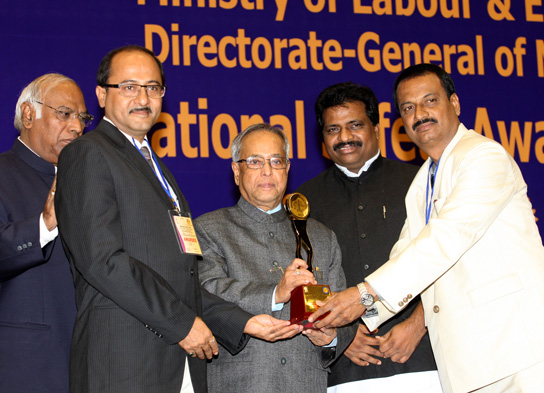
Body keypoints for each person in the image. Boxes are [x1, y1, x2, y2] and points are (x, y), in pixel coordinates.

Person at [55, 45, 300, 393]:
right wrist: (183, 323)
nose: (143, 97)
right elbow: (102, 261)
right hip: (124, 362)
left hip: (174, 364)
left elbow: (182, 278)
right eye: (129, 86)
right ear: (101, 94)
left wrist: (243, 322)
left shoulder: (155, 166)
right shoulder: (88, 153)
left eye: (153, 88)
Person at [309, 63, 544, 393]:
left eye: (430, 101)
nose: (419, 114)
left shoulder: (483, 157)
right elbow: (405, 254)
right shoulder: (422, 183)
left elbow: (444, 241)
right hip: (468, 360)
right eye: (408, 107)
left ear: (455, 104)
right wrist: (344, 329)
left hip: (517, 348)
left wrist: (364, 295)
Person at [296, 82, 441, 392]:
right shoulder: (303, 201)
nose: (344, 137)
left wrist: (418, 324)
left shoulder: (419, 183)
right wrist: (340, 336)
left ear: (376, 128)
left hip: (423, 360)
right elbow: (302, 280)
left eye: (355, 125)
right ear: (322, 138)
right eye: (333, 129)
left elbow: (447, 260)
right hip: (345, 371)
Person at [195, 123, 355, 393]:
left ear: (287, 169)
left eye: (276, 161)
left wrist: (332, 337)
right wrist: (275, 293)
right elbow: (206, 291)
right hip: (241, 383)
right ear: (236, 171)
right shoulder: (209, 229)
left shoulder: (322, 236)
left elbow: (344, 308)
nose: (267, 171)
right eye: (255, 161)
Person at [0, 73, 91, 393]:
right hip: (27, 366)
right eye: (64, 113)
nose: (77, 127)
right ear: (28, 114)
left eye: (82, 117)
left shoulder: (89, 184)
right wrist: (44, 225)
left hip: (91, 363)